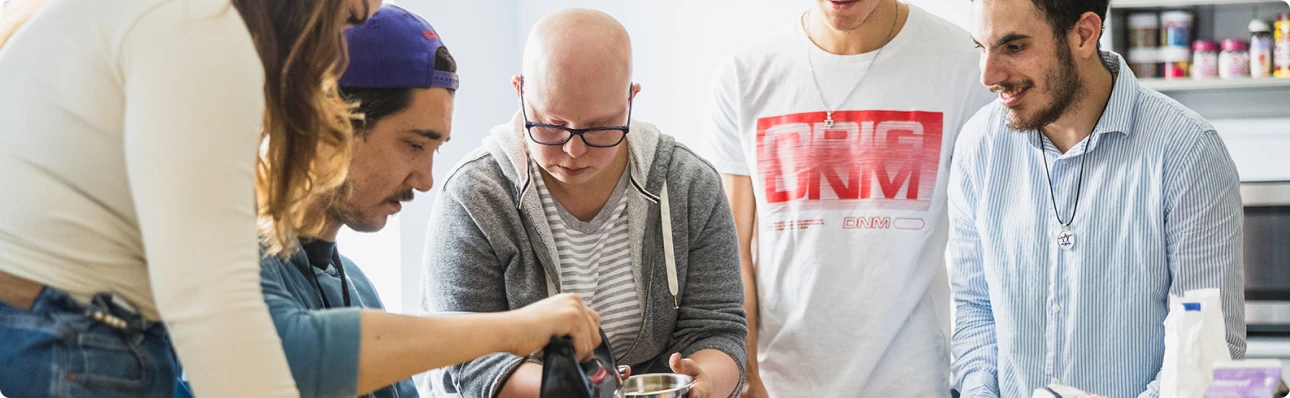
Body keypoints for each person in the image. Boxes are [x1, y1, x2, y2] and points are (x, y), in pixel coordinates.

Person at [0, 0, 381, 396]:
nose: (339, 58)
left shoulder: (135, 16)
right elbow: (217, 319)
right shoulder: (201, 29)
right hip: (69, 351)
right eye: (345, 21)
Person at [245, 6, 601, 398]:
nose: (426, 181)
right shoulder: (231, 261)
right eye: (414, 145)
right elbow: (291, 358)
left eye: (436, 149)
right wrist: (518, 329)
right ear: (331, 121)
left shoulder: (358, 290)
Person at [421, 8, 747, 398]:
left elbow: (717, 330)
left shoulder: (689, 186)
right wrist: (578, 390)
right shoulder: (475, 197)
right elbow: (466, 358)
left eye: (599, 127)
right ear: (520, 92)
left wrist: (707, 381)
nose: (573, 150)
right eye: (552, 125)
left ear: (630, 100)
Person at [951, 0, 1245, 396]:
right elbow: (975, 312)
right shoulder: (978, 146)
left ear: (1084, 34)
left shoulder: (1187, 151)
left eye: (1014, 47)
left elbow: (1209, 349)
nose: (988, 75)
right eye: (981, 48)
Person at [700, 0, 993, 396]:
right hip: (780, 385)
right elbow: (731, 253)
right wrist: (748, 378)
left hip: (913, 383)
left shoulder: (966, 65)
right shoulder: (744, 76)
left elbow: (987, 254)